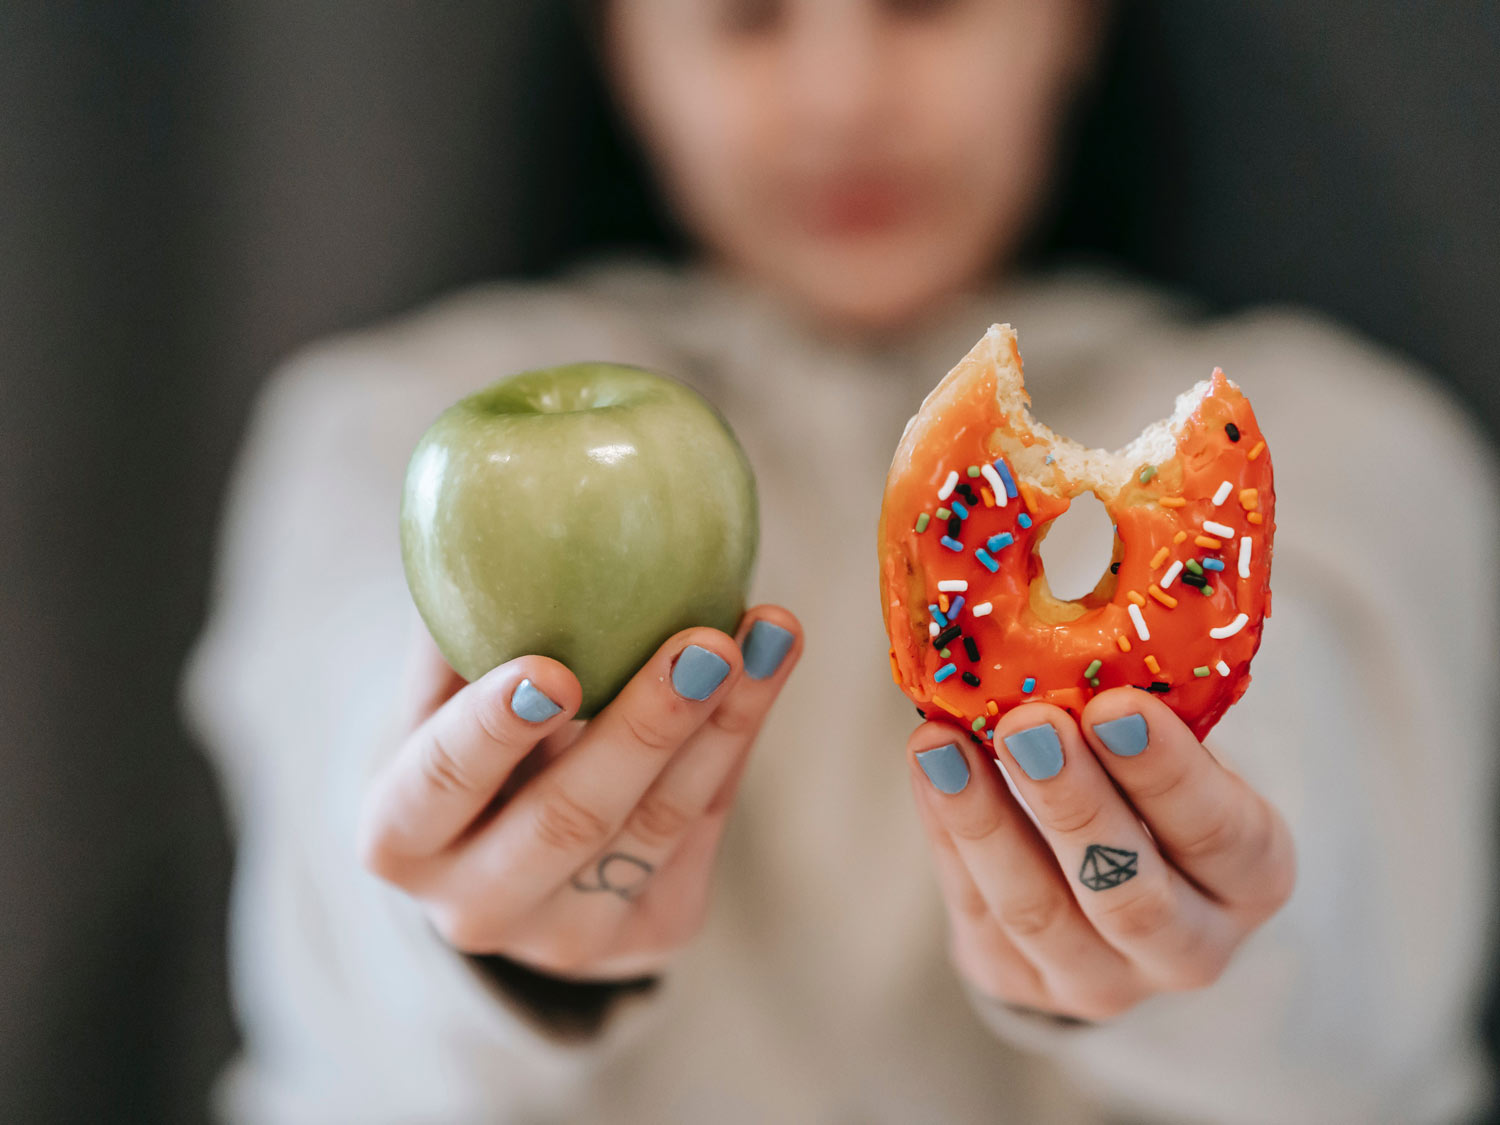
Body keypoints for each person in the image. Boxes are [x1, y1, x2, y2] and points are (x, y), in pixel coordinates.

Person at [179, 1, 1500, 1121]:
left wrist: (1214, 942)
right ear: (620, 37)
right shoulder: (372, 428)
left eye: (927, 0)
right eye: (746, 11)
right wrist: (474, 931)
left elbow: (1358, 909)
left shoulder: (1350, 444)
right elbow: (327, 903)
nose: (843, 93)